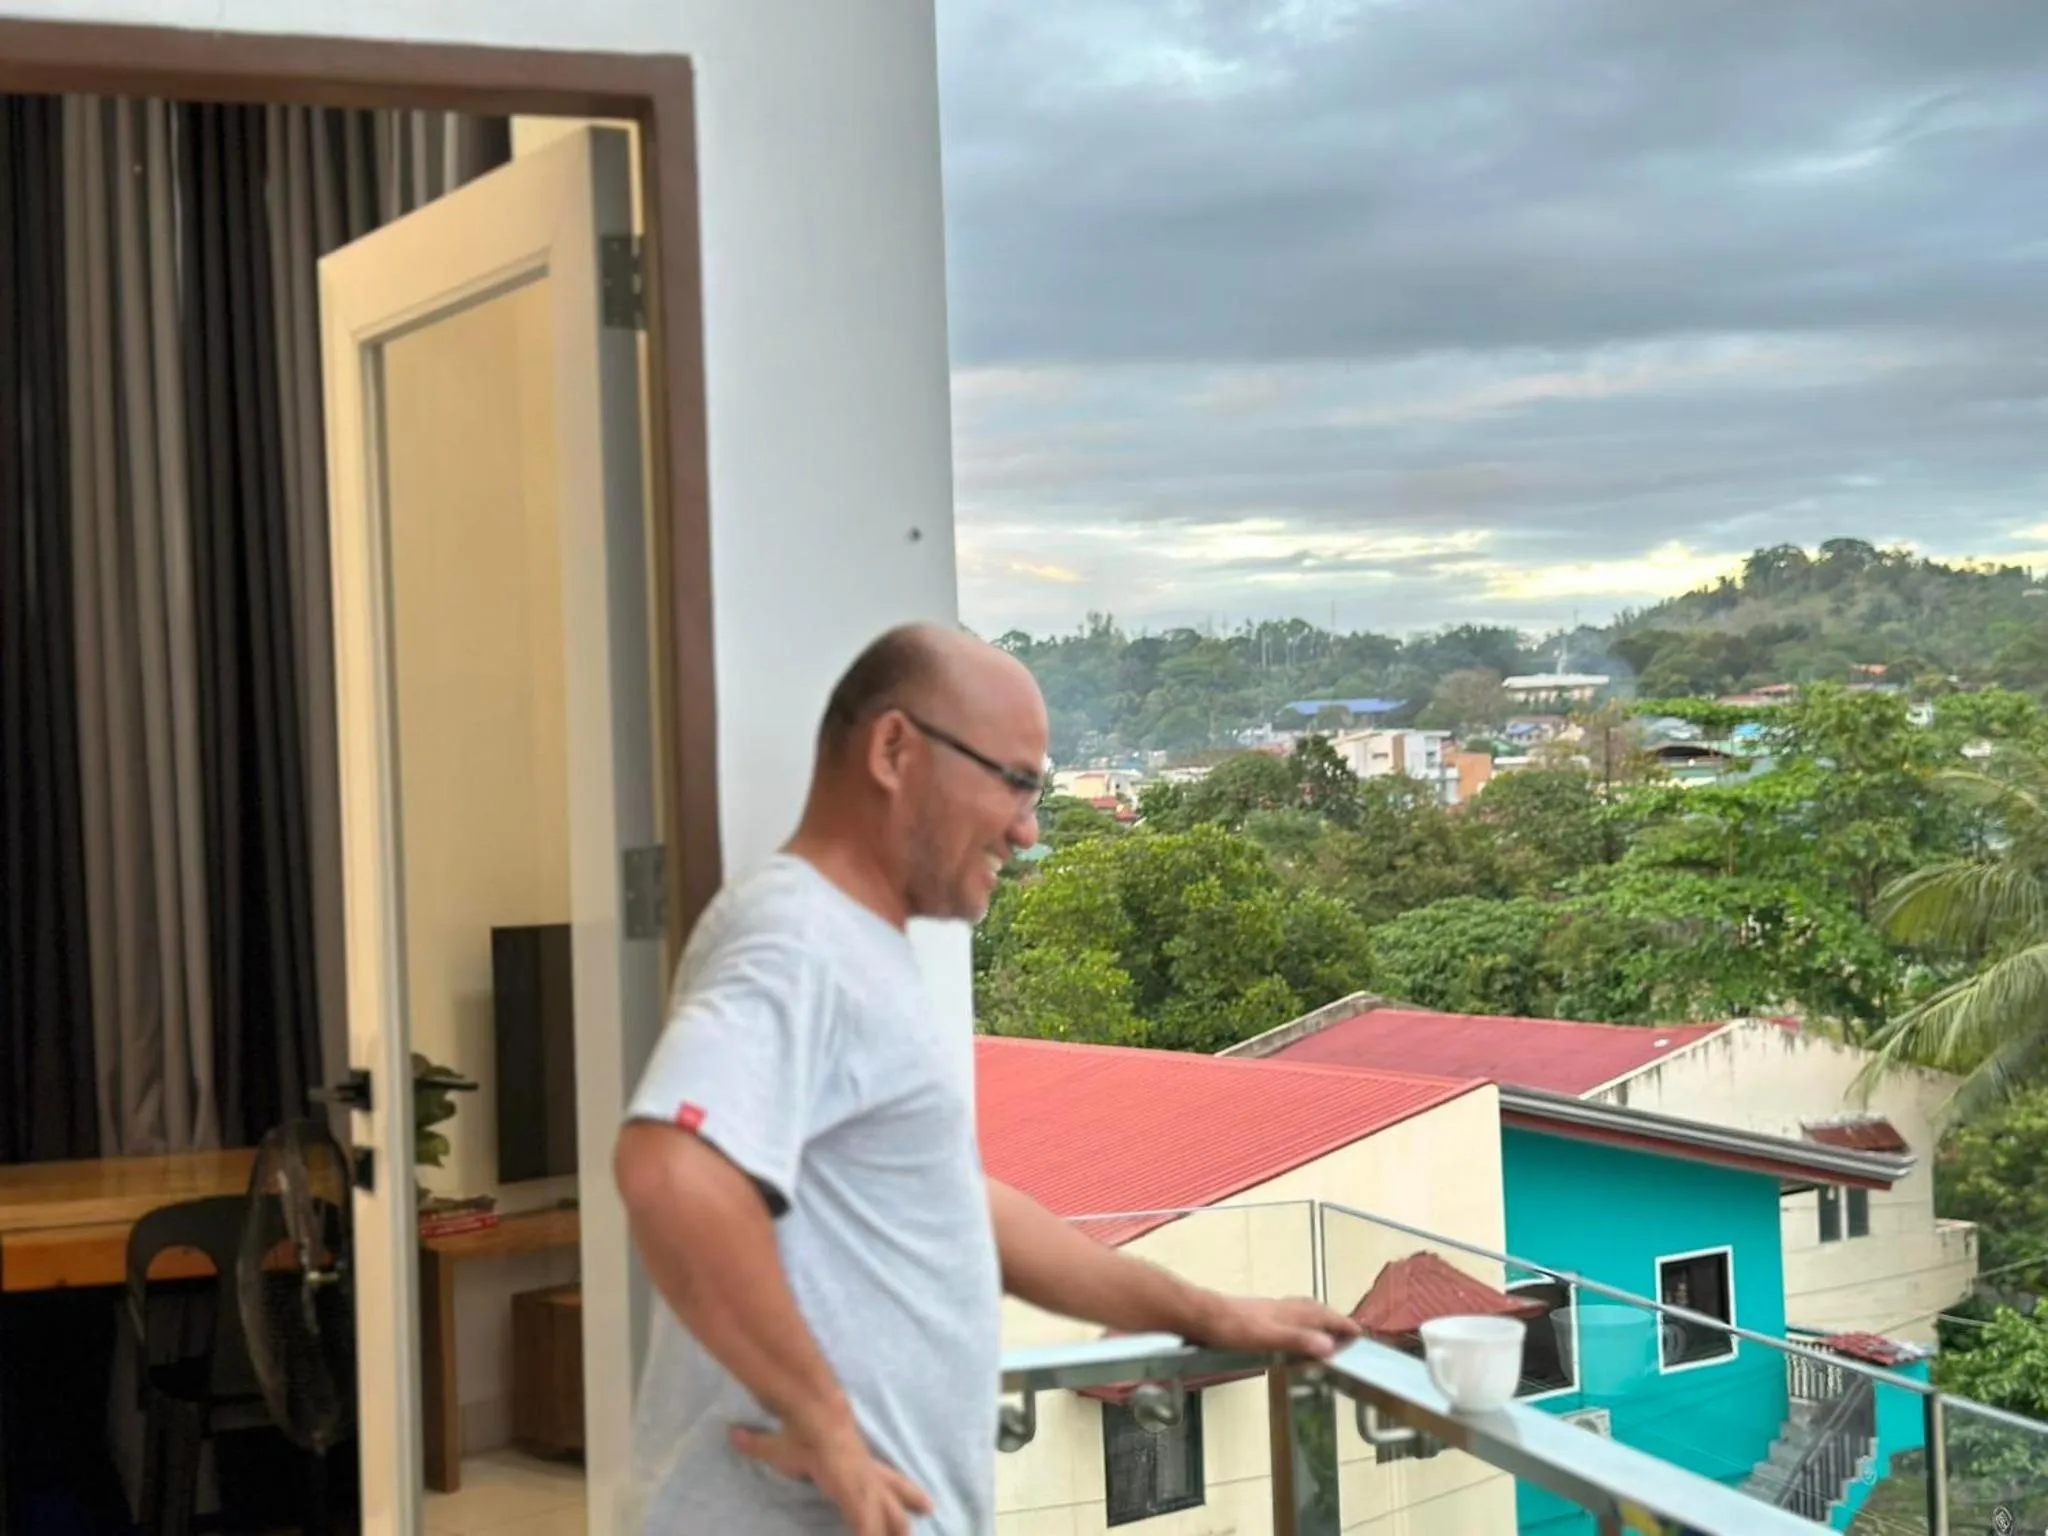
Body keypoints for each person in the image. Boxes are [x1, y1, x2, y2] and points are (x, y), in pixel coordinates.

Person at [613, 623, 1359, 1534]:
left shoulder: (853, 945)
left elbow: (959, 1210)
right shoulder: (799, 941)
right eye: (1013, 781)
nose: (1028, 828)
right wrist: (825, 1418)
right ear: (894, 750)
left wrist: (1206, 1312)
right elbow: (672, 1171)